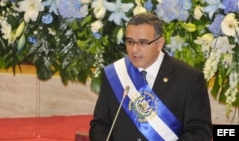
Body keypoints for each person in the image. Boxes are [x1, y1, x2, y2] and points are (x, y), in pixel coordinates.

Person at [89, 12, 212, 141]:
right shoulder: (115, 74)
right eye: (130, 42)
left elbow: (200, 132)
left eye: (142, 42)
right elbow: (100, 125)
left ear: (159, 43)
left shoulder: (189, 78)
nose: (134, 49)